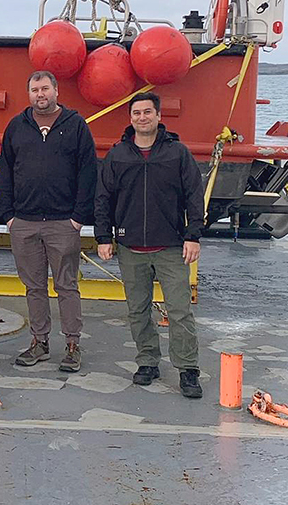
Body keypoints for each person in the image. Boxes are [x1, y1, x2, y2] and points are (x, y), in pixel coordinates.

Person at [94, 91, 206, 399]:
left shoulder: (177, 154)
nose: (142, 117)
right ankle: (147, 361)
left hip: (170, 246)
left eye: (147, 112)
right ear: (130, 118)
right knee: (137, 310)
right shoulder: (118, 155)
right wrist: (103, 236)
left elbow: (194, 195)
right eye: (136, 113)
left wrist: (193, 235)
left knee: (180, 310)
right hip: (131, 247)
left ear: (159, 116)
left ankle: (188, 369)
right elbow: (103, 198)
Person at [0, 70, 97, 372]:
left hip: (62, 223)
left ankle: (72, 344)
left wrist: (78, 218)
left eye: (44, 89)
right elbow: (6, 173)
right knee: (34, 286)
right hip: (24, 222)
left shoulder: (76, 126)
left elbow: (88, 172)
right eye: (34, 90)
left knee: (66, 285)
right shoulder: (17, 126)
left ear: (56, 91)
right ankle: (39, 341)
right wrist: (9, 216)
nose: (40, 95)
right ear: (28, 94)